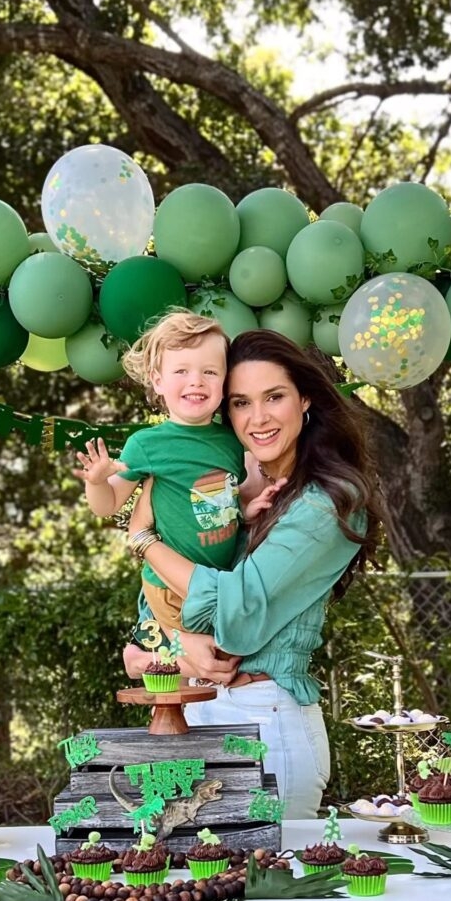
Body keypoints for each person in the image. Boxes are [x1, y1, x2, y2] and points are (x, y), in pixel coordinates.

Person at [126, 329, 381, 820]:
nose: (257, 418)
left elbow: (235, 613)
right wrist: (164, 647)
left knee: (272, 889)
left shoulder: (327, 503)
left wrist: (143, 541)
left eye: (274, 397)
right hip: (200, 709)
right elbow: (183, 596)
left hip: (266, 717)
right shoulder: (237, 497)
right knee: (204, 885)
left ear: (305, 399)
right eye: (241, 402)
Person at [73, 310, 280, 671]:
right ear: (158, 381)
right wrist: (96, 482)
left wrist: (245, 511)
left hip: (215, 578)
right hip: (169, 581)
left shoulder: (232, 440)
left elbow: (219, 500)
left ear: (224, 382)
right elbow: (108, 506)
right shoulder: (148, 445)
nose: (196, 381)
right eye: (181, 371)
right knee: (191, 668)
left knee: (215, 660)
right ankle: (143, 659)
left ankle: (146, 658)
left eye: (209, 372)